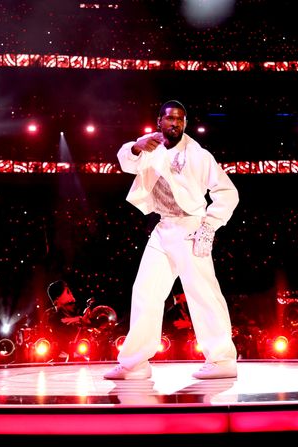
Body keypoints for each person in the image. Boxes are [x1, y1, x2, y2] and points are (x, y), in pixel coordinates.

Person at [104, 100, 239, 380]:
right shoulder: (151, 147)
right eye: (170, 119)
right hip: (163, 228)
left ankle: (222, 360)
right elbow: (126, 162)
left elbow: (228, 193)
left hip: (191, 229)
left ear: (185, 123)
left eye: (180, 119)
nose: (175, 123)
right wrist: (138, 145)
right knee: (145, 291)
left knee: (202, 293)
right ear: (159, 121)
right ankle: (134, 364)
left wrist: (209, 226)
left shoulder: (198, 154)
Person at [43, 280, 92, 360]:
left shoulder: (73, 311)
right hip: (60, 357)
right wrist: (79, 319)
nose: (73, 298)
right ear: (57, 298)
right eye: (68, 293)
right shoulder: (50, 314)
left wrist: (86, 317)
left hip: (79, 354)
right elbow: (61, 322)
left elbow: (85, 324)